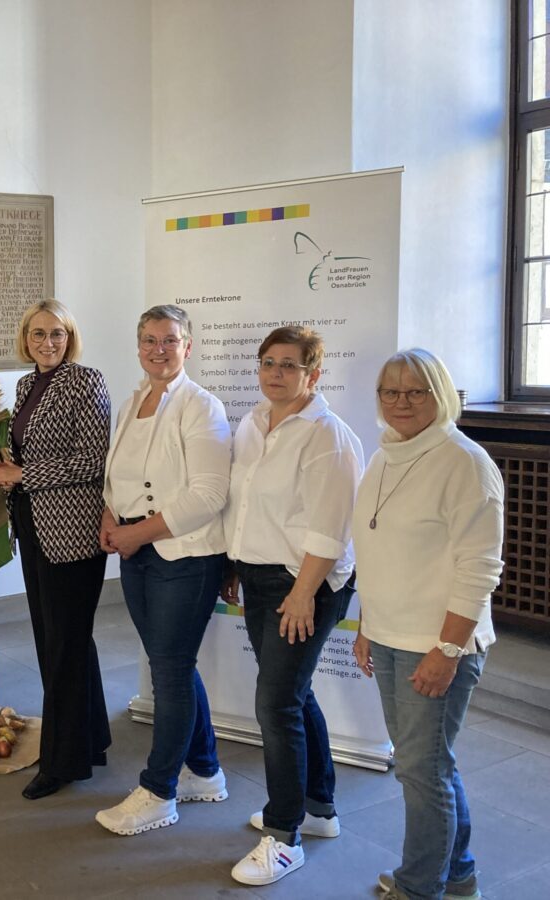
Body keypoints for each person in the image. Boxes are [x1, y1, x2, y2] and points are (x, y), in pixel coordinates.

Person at [352, 349, 502, 900]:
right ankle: (458, 875)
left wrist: (448, 648)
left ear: (439, 394)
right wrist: (368, 623)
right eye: (390, 392)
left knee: (421, 770)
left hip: (438, 643)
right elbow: (379, 549)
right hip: (392, 633)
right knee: (429, 764)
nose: (401, 402)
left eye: (415, 391)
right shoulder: (386, 454)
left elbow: (480, 567)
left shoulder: (464, 462)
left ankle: (420, 888)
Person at [221, 326, 363, 886]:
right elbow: (247, 503)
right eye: (268, 363)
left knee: (276, 705)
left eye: (289, 365)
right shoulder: (254, 422)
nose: (276, 373)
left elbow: (330, 527)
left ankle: (283, 836)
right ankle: (320, 807)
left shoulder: (326, 434)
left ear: (313, 374)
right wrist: (235, 561)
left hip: (305, 582)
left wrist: (304, 594)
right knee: (292, 695)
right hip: (259, 576)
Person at [93, 304, 232, 833]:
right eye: (149, 340)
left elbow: (209, 494)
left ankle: (159, 792)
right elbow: (116, 476)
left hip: (186, 555)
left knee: (169, 670)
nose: (158, 349)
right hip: (139, 553)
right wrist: (110, 514)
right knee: (169, 662)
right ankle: (205, 770)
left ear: (187, 346)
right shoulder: (131, 404)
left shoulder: (202, 406)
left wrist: (136, 531)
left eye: (169, 340)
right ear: (138, 346)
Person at [0, 299, 112, 801]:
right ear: (25, 339)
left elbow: (93, 458)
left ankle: (64, 761)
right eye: (38, 334)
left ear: (71, 337)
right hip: (34, 524)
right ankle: (94, 737)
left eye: (57, 334)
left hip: (74, 531)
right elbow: (27, 449)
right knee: (64, 638)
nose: (47, 343)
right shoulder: (25, 385)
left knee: (62, 643)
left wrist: (23, 474)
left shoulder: (87, 381)